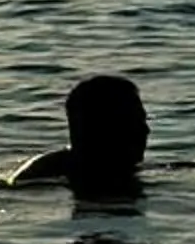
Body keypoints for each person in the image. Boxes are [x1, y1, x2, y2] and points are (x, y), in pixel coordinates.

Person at [10, 74, 148, 197]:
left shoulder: (121, 168)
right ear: (101, 128)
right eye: (134, 122)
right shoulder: (45, 176)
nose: (146, 131)